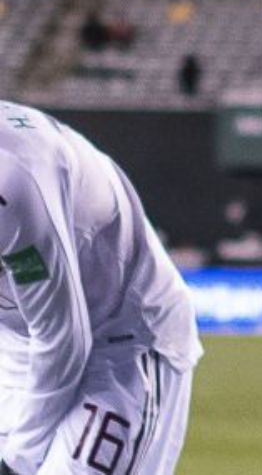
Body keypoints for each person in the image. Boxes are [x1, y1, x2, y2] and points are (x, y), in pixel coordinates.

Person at [0, 101, 203, 474]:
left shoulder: (11, 182)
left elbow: (62, 337)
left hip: (123, 338)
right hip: (17, 340)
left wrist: (17, 460)